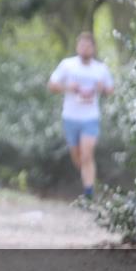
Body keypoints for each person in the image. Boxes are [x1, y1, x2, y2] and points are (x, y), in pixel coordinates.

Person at [47, 32, 114, 198]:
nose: (85, 49)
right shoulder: (67, 65)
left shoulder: (100, 68)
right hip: (70, 117)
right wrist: (69, 87)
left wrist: (102, 89)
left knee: (86, 154)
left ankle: (89, 193)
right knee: (77, 157)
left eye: (88, 46)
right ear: (77, 47)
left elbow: (110, 89)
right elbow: (52, 85)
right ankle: (89, 180)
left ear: (93, 48)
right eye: (82, 45)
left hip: (90, 118)